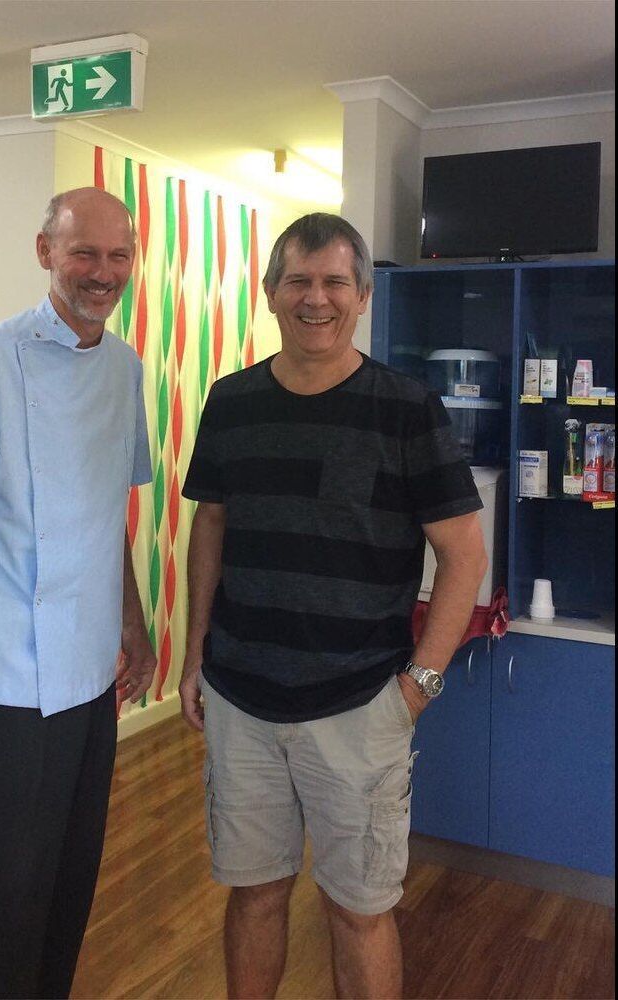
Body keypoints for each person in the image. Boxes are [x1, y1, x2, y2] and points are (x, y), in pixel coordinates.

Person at [180, 213, 488, 999]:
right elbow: (209, 527)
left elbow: (464, 558)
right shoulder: (231, 401)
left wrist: (419, 686)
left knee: (360, 909)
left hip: (359, 706)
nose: (316, 298)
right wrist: (194, 657)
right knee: (254, 894)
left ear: (361, 296)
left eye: (334, 283)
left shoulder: (407, 408)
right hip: (241, 700)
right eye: (299, 282)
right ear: (270, 293)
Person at [0, 187, 156, 999]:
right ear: (45, 251)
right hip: (4, 685)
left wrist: (137, 621)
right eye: (84, 252)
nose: (102, 272)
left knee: (64, 891)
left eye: (118, 255)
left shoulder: (124, 367)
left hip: (88, 684)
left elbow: (103, 510)